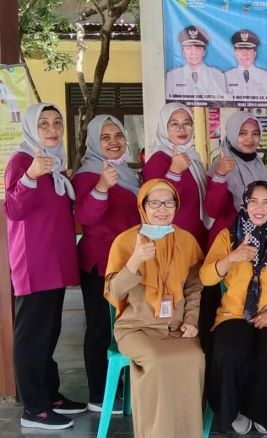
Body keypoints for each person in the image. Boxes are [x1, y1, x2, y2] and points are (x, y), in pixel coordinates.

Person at [105, 179, 205, 438]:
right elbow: (114, 292)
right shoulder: (126, 242)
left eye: (169, 203)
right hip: (136, 328)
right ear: (143, 206)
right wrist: (135, 261)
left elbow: (194, 287)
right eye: (155, 203)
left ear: (176, 206)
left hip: (175, 328)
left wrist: (191, 320)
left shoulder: (186, 241)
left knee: (195, 358)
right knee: (157, 361)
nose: (162, 209)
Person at [5, 103, 84, 429]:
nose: (52, 129)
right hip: (34, 263)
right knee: (32, 337)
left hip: (55, 262)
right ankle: (34, 409)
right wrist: (30, 176)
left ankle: (49, 394)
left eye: (57, 123)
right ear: (31, 128)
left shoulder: (55, 165)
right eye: (44, 124)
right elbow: (13, 209)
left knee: (49, 333)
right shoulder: (22, 161)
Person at [200, 181, 267, 435]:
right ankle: (234, 411)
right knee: (228, 349)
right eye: (254, 201)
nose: (260, 208)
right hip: (235, 313)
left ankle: (262, 412)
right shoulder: (229, 236)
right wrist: (231, 258)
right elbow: (206, 278)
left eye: (266, 202)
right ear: (244, 204)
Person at [73, 115, 141, 414]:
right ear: (93, 142)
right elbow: (86, 217)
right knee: (101, 328)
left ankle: (119, 386)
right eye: (105, 137)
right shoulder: (88, 174)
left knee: (121, 326)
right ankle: (99, 394)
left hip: (127, 262)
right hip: (101, 263)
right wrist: (101, 186)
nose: (114, 142)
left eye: (118, 135)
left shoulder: (127, 173)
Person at [143, 102, 213, 250]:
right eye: (174, 124)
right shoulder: (158, 160)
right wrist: (174, 171)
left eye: (187, 123)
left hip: (196, 234)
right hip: (174, 240)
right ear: (164, 128)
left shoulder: (192, 156)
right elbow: (157, 204)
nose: (182, 129)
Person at [206, 111, 267, 247]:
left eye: (255, 133)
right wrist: (220, 175)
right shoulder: (221, 164)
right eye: (243, 133)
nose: (250, 139)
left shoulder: (258, 165)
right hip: (227, 240)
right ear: (232, 133)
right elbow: (212, 210)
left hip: (256, 239)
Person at [165, 25, 226, 101]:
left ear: (204, 52)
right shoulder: (172, 76)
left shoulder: (217, 75)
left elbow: (224, 102)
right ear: (183, 52)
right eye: (188, 48)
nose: (193, 53)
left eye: (197, 48)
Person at [225, 29, 267, 100]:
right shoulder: (226, 77)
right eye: (240, 50)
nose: (244, 54)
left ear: (255, 53)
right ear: (235, 53)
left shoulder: (266, 77)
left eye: (248, 50)